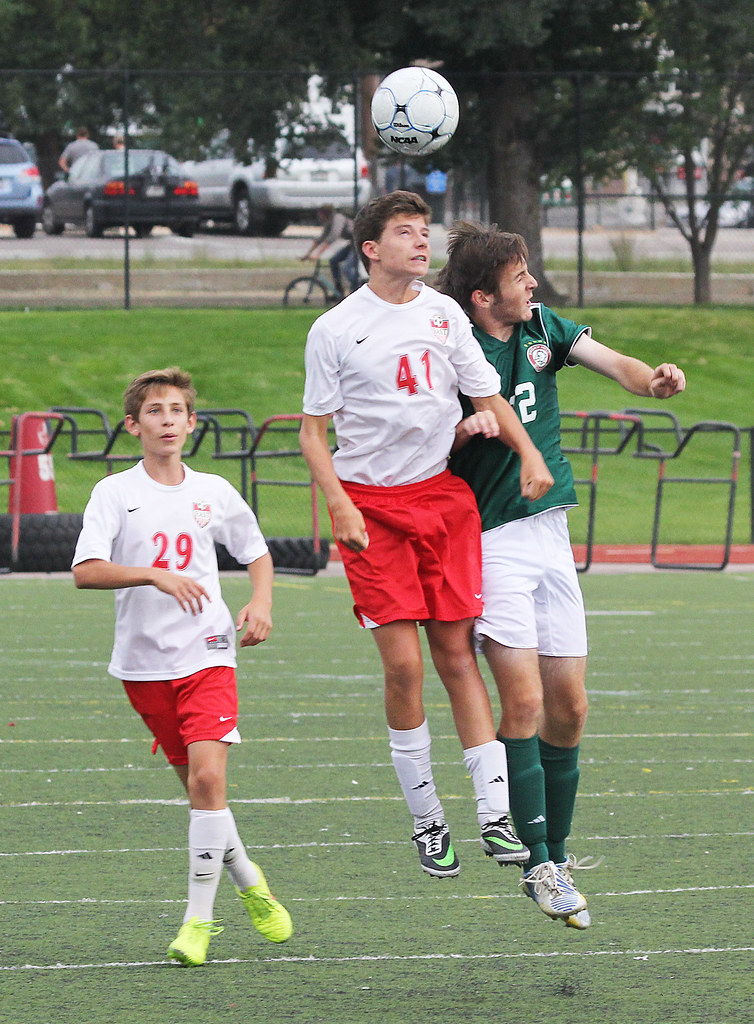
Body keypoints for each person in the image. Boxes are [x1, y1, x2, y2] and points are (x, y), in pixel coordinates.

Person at [299, 191, 554, 879]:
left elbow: (488, 399)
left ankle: (493, 816)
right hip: (371, 509)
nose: (421, 243)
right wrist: (339, 506)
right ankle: (426, 820)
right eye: (405, 233)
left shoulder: (445, 316)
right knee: (404, 666)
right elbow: (313, 434)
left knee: (454, 654)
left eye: (425, 232)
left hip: (441, 501)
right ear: (371, 249)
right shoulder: (335, 328)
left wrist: (529, 453)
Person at [438, 223, 686, 926]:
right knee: (520, 704)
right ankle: (539, 862)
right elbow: (420, 443)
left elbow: (618, 364)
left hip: (551, 535)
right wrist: (462, 433)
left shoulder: (544, 326)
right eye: (519, 277)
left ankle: (558, 853)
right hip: (491, 543)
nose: (533, 285)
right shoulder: (450, 351)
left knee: (570, 707)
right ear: (484, 296)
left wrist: (657, 381)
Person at [71, 367, 292, 967]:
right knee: (201, 794)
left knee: (208, 782)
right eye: (154, 411)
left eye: (177, 411)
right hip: (143, 665)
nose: (166, 421)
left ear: (192, 423)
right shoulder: (114, 493)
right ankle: (249, 878)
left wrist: (261, 600)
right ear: (133, 424)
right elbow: (86, 570)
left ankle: (197, 922)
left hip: (208, 651)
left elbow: (258, 552)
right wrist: (151, 573)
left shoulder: (214, 490)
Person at [302, 204, 358, 297]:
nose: (319, 217)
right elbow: (321, 238)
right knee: (333, 261)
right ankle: (338, 290)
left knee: (347, 268)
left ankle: (357, 288)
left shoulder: (337, 218)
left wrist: (317, 254)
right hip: (352, 243)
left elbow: (333, 236)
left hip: (358, 243)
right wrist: (308, 254)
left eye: (319, 214)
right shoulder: (329, 222)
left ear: (324, 213)